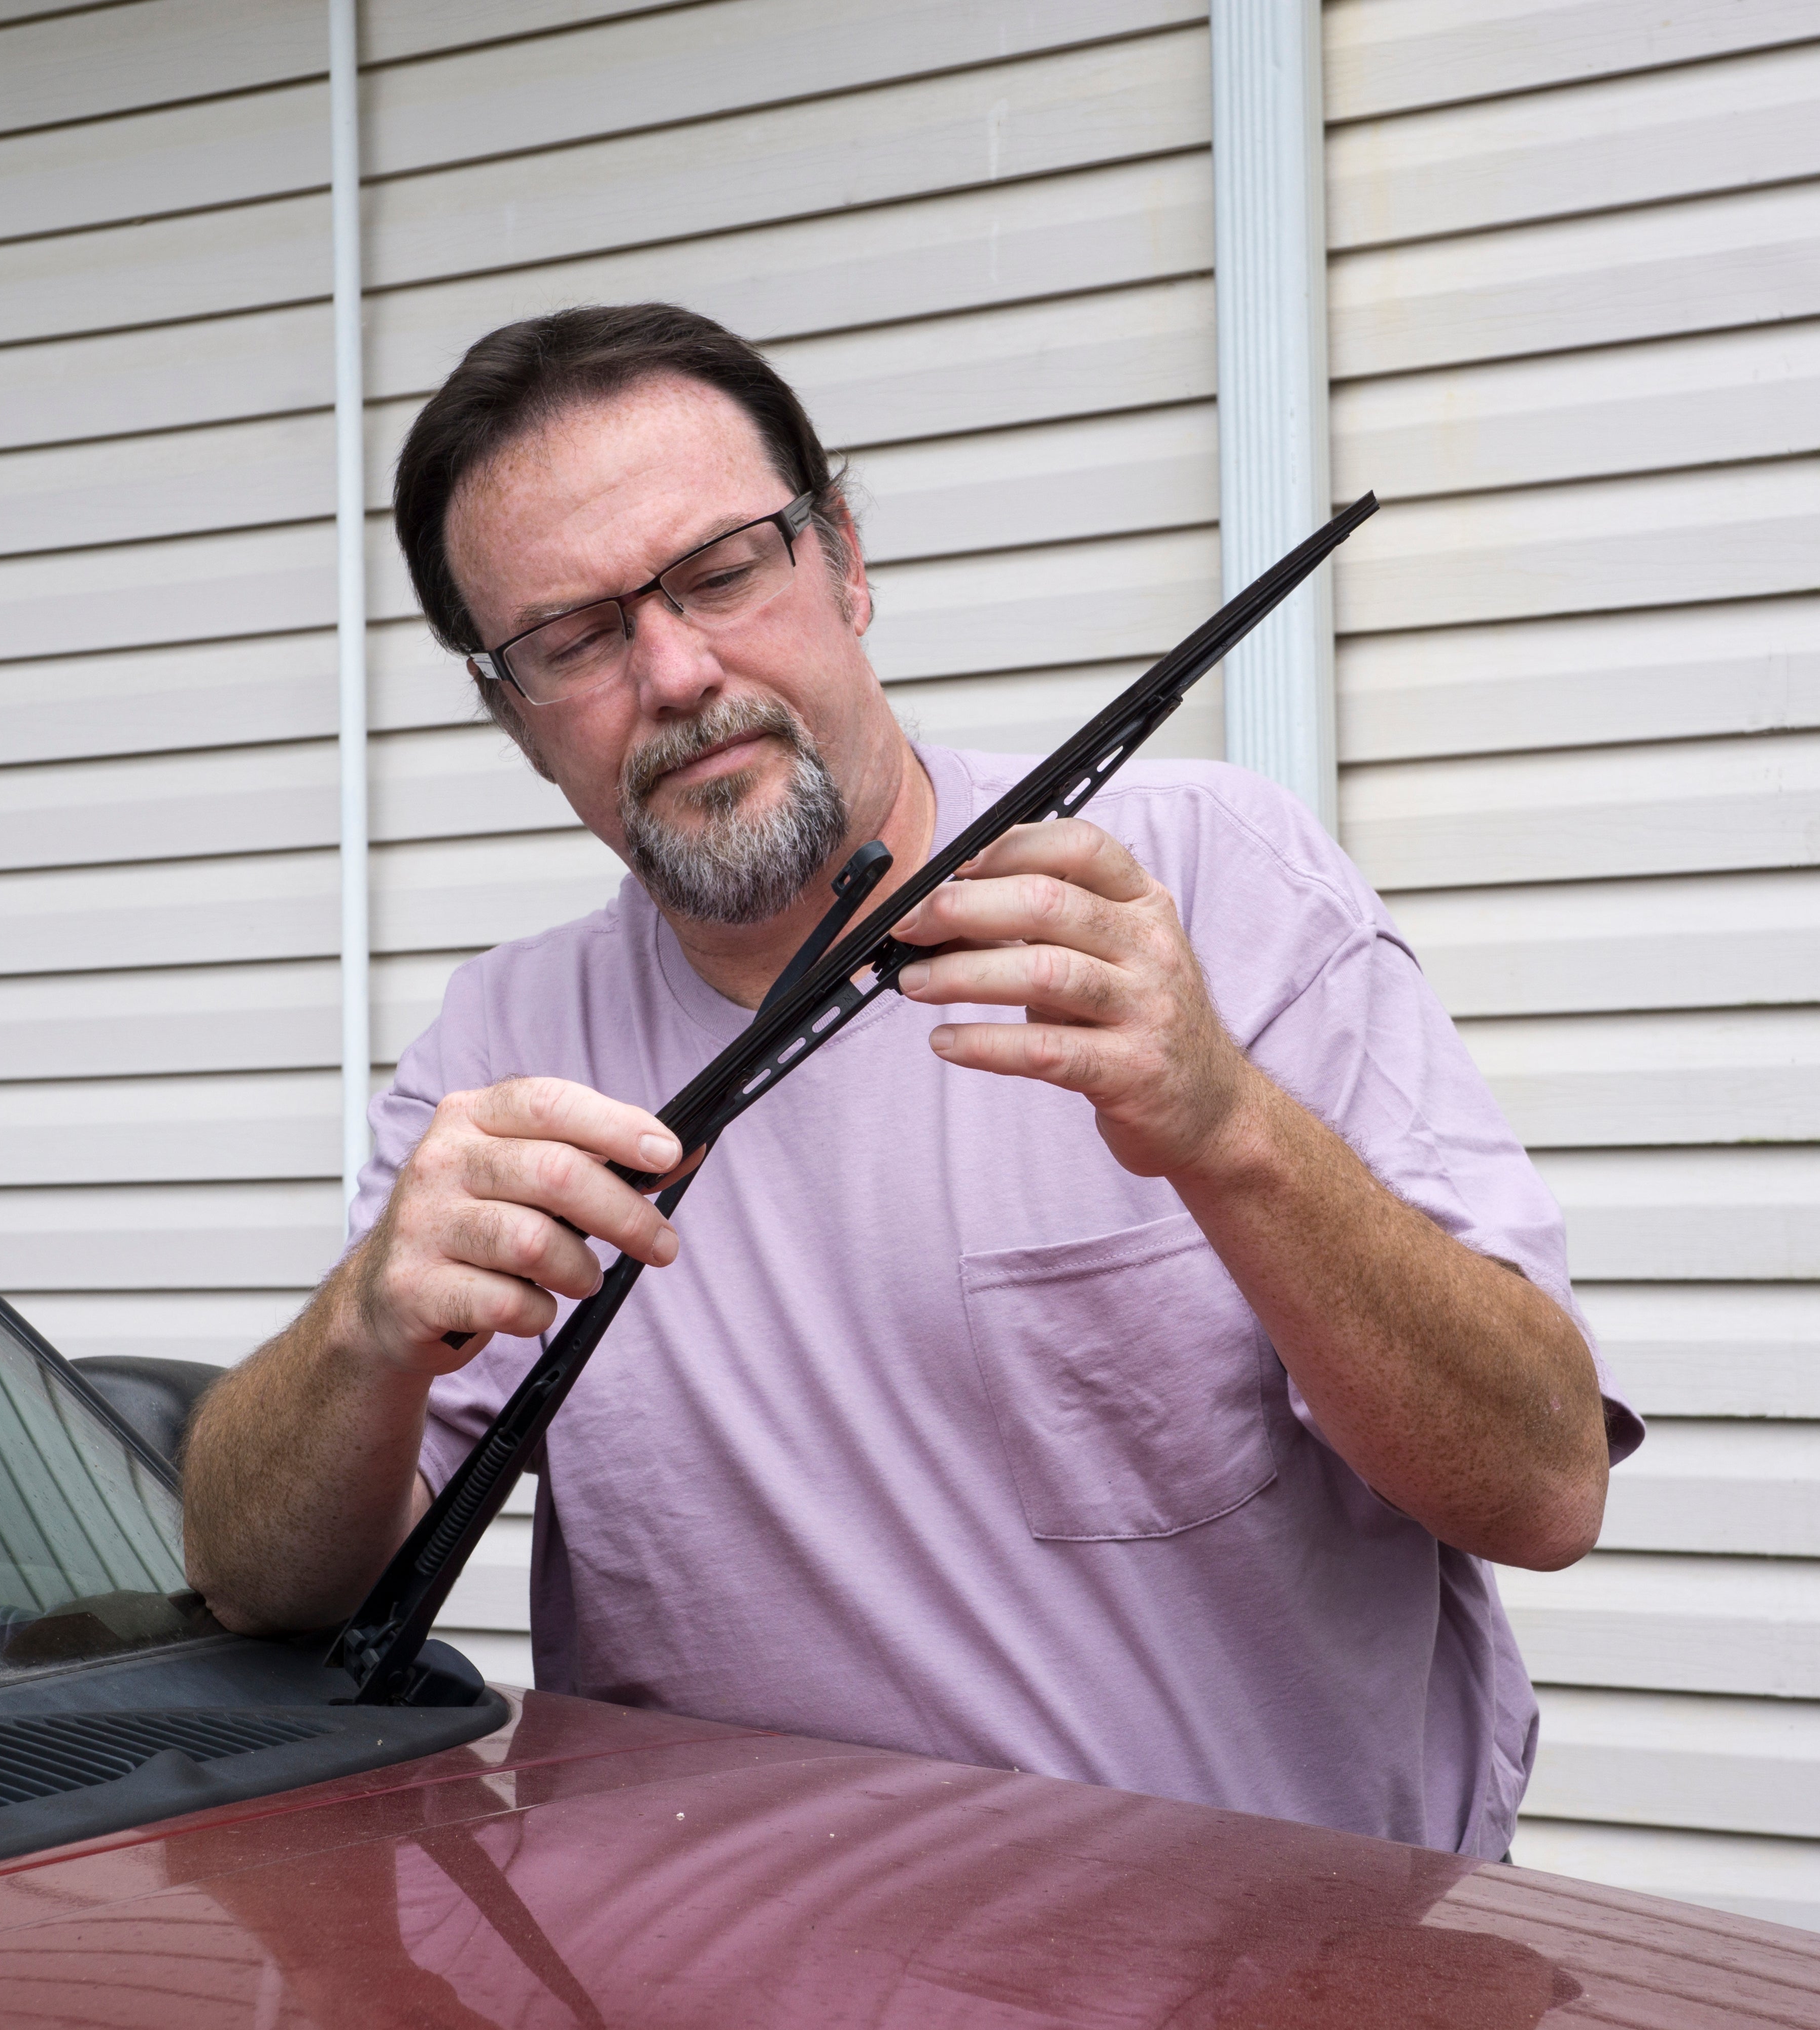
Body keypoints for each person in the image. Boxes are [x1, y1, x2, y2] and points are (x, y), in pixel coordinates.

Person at [183, 303, 1639, 1857]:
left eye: (725, 570)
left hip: (1292, 1977)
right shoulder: (504, 1057)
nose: (675, 670)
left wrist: (1229, 1132)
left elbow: (1540, 1493)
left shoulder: (1211, 887)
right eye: (575, 639)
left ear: (847, 561)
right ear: (515, 719)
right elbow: (263, 1583)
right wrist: (363, 1329)